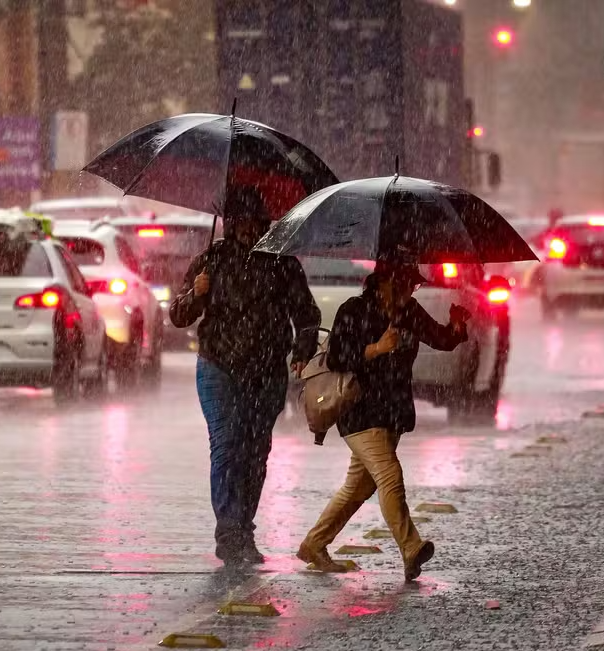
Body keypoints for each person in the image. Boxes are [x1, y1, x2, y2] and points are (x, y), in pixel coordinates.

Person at [169, 187, 321, 567]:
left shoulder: (283, 264)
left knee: (255, 453)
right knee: (226, 445)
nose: (249, 230)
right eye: (242, 222)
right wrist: (196, 294)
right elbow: (178, 315)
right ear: (231, 223)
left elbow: (306, 315)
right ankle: (228, 531)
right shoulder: (211, 260)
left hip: (267, 372)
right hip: (218, 367)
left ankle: (243, 528)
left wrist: (302, 350)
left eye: (256, 222)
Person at [296, 262, 469, 581]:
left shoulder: (409, 311)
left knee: (358, 487)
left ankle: (314, 544)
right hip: (359, 411)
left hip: (391, 411)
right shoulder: (354, 310)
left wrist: (456, 327)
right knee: (390, 475)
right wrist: (376, 349)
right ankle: (411, 547)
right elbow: (337, 358)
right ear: (383, 283)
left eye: (413, 286)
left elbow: (440, 339)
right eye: (404, 285)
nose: (409, 292)